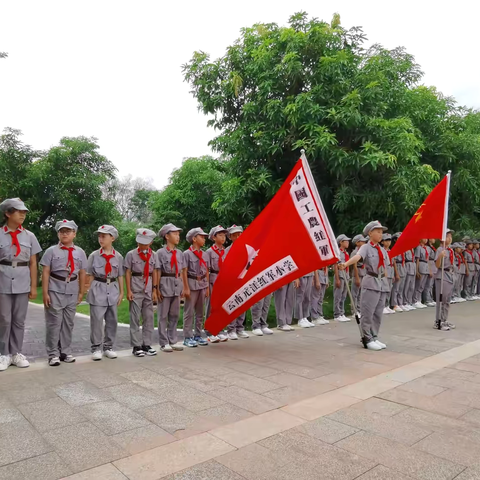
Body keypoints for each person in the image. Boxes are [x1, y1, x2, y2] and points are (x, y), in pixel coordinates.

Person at [0, 198, 42, 371]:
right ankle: (4, 354)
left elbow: (33, 263)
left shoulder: (29, 236)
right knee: (4, 318)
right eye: (19, 211)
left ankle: (16, 352)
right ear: (8, 213)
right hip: (2, 280)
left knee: (19, 320)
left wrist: (33, 286)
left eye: (24, 212)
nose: (23, 214)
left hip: (23, 281)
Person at [41, 219, 87, 366]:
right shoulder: (51, 251)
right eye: (61, 231)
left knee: (68, 323)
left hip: (72, 289)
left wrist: (81, 292)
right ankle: (53, 354)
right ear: (58, 234)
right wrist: (45, 293)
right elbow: (46, 272)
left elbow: (82, 273)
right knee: (54, 323)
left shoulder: (80, 252)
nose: (64, 234)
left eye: (68, 231)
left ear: (74, 233)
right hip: (55, 288)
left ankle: (65, 351)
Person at [339, 221, 390, 351]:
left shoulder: (382, 250)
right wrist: (346, 264)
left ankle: (374, 336)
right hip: (371, 281)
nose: (380, 234)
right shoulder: (366, 247)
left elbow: (385, 267)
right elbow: (357, 257)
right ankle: (366, 338)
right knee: (368, 312)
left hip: (382, 283)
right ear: (370, 233)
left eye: (381, 232)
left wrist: (387, 281)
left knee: (378, 313)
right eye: (378, 231)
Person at [86, 225, 124, 361]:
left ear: (112, 238)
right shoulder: (94, 256)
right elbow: (89, 275)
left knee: (112, 320)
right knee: (96, 321)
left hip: (112, 288)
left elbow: (120, 275)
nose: (101, 239)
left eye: (104, 236)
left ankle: (108, 347)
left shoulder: (118, 257)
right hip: (98, 287)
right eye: (99, 236)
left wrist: (121, 293)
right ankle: (96, 348)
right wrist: (88, 290)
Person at [125, 228, 158, 357]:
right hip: (136, 288)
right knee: (135, 318)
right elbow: (128, 272)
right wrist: (128, 290)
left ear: (150, 242)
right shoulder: (131, 254)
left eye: (145, 242)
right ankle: (136, 346)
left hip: (148, 289)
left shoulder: (153, 255)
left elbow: (154, 272)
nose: (142, 245)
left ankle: (146, 344)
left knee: (148, 317)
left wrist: (155, 290)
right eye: (140, 242)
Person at [156, 223, 186, 353]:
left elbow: (183, 271)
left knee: (174, 314)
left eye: (178, 234)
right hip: (164, 283)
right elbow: (157, 271)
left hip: (176, 284)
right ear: (167, 236)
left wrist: (184, 287)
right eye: (175, 234)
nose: (178, 236)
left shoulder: (179, 253)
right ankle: (163, 342)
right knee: (163, 315)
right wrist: (156, 288)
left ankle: (173, 340)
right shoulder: (160, 253)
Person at [183, 227, 209, 347]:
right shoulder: (186, 254)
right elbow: (184, 271)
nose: (204, 239)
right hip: (191, 284)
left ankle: (198, 335)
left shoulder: (205, 254)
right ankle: (187, 337)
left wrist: (207, 287)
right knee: (189, 312)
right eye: (201, 237)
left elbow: (207, 271)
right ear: (194, 239)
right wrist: (185, 287)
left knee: (200, 311)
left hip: (202, 284)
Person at [225, 225, 249, 338]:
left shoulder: (247, 249)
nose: (238, 236)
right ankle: (231, 329)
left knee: (242, 305)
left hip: (243, 281)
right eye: (235, 235)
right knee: (233, 305)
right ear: (230, 237)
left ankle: (240, 328)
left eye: (240, 234)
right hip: (232, 281)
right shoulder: (227, 251)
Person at [204, 225, 229, 342]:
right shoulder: (209, 252)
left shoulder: (226, 251)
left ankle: (219, 329)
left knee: (221, 306)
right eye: (220, 235)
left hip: (223, 278)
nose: (223, 237)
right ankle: (209, 332)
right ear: (214, 237)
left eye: (224, 235)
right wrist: (207, 285)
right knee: (211, 306)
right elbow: (206, 270)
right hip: (213, 278)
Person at [434, 229, 456, 330]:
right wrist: (440, 256)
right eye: (447, 236)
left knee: (447, 300)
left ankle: (444, 319)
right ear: (442, 238)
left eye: (450, 236)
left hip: (450, 275)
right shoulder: (440, 250)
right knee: (441, 300)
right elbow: (437, 265)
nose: (450, 238)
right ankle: (438, 322)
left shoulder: (450, 250)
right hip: (442, 275)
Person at [334, 234, 351, 322]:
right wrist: (337, 278)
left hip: (346, 275)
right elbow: (335, 266)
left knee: (344, 295)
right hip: (340, 275)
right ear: (341, 242)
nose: (348, 242)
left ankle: (342, 312)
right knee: (338, 295)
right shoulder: (338, 253)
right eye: (346, 241)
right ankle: (337, 314)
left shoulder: (346, 253)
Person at [350, 235, 366, 316]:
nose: (364, 242)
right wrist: (356, 277)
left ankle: (359, 309)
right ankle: (354, 311)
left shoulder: (363, 252)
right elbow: (354, 265)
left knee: (361, 293)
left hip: (363, 272)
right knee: (355, 293)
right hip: (357, 272)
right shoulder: (354, 253)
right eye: (362, 241)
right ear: (357, 243)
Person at [412, 239, 430, 309]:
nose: (425, 240)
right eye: (424, 238)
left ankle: (419, 300)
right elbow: (417, 259)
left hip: (425, 266)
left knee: (422, 285)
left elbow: (428, 259)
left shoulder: (426, 248)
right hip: (421, 265)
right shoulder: (418, 247)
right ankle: (415, 300)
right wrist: (417, 270)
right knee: (418, 284)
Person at [391, 232, 406, 313]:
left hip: (403, 267)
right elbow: (394, 262)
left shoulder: (402, 248)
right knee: (396, 288)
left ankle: (400, 303)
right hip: (398, 267)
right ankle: (394, 304)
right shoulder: (395, 248)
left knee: (401, 288)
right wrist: (396, 273)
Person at [381, 233, 396, 315]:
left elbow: (393, 262)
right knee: (384, 289)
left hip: (391, 270)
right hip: (385, 271)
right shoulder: (382, 250)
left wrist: (394, 273)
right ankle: (382, 306)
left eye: (389, 240)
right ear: (382, 242)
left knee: (389, 289)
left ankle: (387, 305)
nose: (388, 242)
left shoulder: (391, 251)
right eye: (386, 240)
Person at [424, 239, 437, 307]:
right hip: (430, 265)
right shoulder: (427, 248)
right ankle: (427, 299)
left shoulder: (432, 247)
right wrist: (429, 270)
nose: (434, 239)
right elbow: (427, 258)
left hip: (433, 265)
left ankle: (430, 298)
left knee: (431, 285)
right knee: (428, 284)